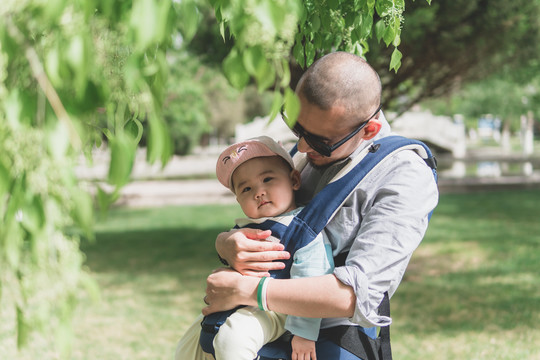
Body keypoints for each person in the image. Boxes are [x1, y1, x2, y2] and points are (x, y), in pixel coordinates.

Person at [176, 51, 439, 359]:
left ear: (368, 130)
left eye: (318, 140)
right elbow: (278, 222)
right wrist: (228, 243)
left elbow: (355, 293)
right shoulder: (312, 150)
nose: (301, 147)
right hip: (259, 323)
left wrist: (249, 291)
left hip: (327, 338)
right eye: (297, 130)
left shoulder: (405, 176)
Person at [177, 136, 334, 360]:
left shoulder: (303, 230)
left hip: (276, 307)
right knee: (188, 348)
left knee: (233, 340)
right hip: (234, 303)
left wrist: (304, 333)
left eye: (268, 179)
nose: (258, 192)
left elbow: (312, 280)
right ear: (239, 201)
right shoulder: (243, 229)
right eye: (246, 188)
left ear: (294, 180)